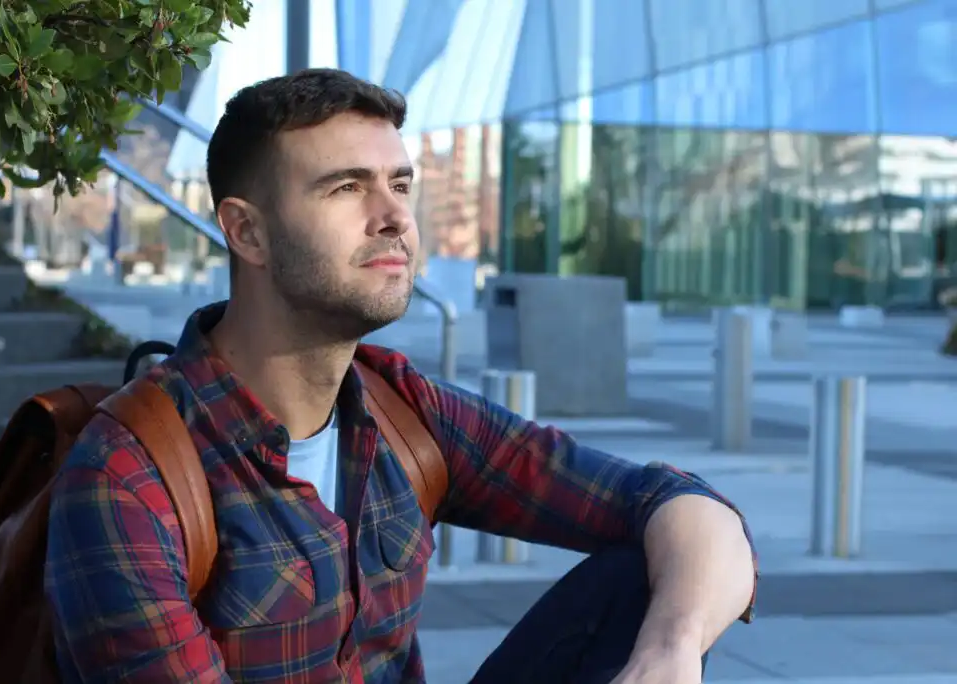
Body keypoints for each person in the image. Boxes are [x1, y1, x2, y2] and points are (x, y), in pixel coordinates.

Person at [45, 68, 757, 684]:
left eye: (400, 184)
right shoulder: (128, 478)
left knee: (645, 578)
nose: (393, 219)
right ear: (247, 232)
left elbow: (677, 502)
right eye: (346, 187)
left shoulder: (400, 411)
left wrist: (670, 652)